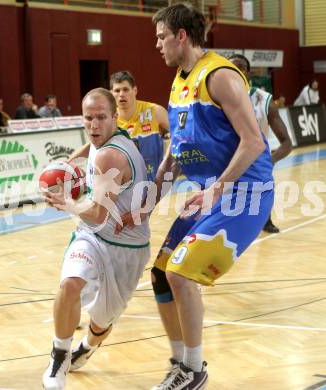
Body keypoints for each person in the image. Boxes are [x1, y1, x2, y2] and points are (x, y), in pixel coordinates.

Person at [143, 4, 274, 389]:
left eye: (161, 37)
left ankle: (194, 370)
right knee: (162, 276)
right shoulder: (180, 79)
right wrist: (155, 187)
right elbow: (179, 145)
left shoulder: (219, 76)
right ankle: (181, 360)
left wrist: (216, 187)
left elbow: (252, 141)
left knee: (180, 274)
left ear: (181, 35)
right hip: (209, 194)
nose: (157, 45)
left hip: (244, 194)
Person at [42, 88, 150, 390]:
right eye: (88, 118)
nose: (93, 125)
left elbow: (100, 213)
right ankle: (59, 358)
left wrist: (65, 203)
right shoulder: (107, 140)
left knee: (101, 322)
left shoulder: (111, 156)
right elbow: (95, 220)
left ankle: (86, 348)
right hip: (92, 237)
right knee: (70, 283)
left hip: (126, 247)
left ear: (115, 118)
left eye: (101, 118)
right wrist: (64, 165)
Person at [229, 54, 292, 233]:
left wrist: (269, 161)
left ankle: (266, 219)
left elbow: (287, 143)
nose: (236, 71)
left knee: (260, 198)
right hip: (228, 159)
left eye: (240, 67)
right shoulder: (217, 99)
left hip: (257, 160)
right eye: (231, 67)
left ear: (248, 72)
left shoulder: (264, 101)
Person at [110, 70, 169, 181]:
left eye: (125, 89)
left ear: (135, 90)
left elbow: (180, 136)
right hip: (127, 189)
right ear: (111, 93)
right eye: (117, 90)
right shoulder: (109, 120)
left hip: (156, 186)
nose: (121, 94)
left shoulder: (155, 111)